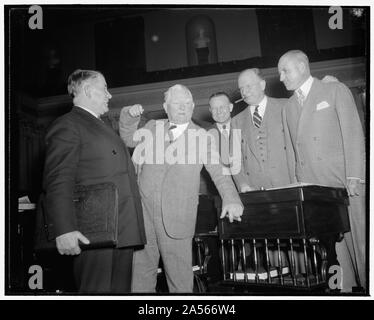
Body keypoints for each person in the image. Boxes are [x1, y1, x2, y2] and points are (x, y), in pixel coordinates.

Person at [119, 84, 243, 293]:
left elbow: (219, 172)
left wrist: (231, 199)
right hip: (143, 215)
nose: (183, 107)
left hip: (178, 216)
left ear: (193, 106)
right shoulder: (151, 127)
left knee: (179, 280)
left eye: (187, 103)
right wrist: (129, 115)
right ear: (166, 107)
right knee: (141, 274)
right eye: (177, 103)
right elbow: (127, 137)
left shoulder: (203, 137)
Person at [42, 69, 146, 293]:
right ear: (88, 90)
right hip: (93, 232)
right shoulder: (68, 124)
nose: (109, 95)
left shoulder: (100, 125)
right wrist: (64, 229)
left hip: (120, 230)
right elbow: (59, 180)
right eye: (105, 89)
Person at [278, 50, 366, 292]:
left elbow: (353, 133)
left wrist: (355, 176)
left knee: (361, 245)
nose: (281, 77)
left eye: (285, 71)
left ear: (303, 66)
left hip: (346, 183)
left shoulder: (334, 90)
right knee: (332, 252)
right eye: (280, 73)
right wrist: (295, 186)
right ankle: (344, 292)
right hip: (315, 190)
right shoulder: (287, 108)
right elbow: (291, 154)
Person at [230, 68, 293, 192]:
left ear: (262, 85)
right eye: (241, 88)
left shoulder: (286, 106)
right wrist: (242, 184)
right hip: (255, 190)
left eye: (248, 86)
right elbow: (235, 159)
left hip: (289, 186)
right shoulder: (236, 121)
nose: (244, 92)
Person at [208, 92, 234, 168]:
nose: (219, 111)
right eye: (214, 108)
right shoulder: (204, 135)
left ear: (231, 107)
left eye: (222, 107)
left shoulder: (244, 127)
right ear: (210, 110)